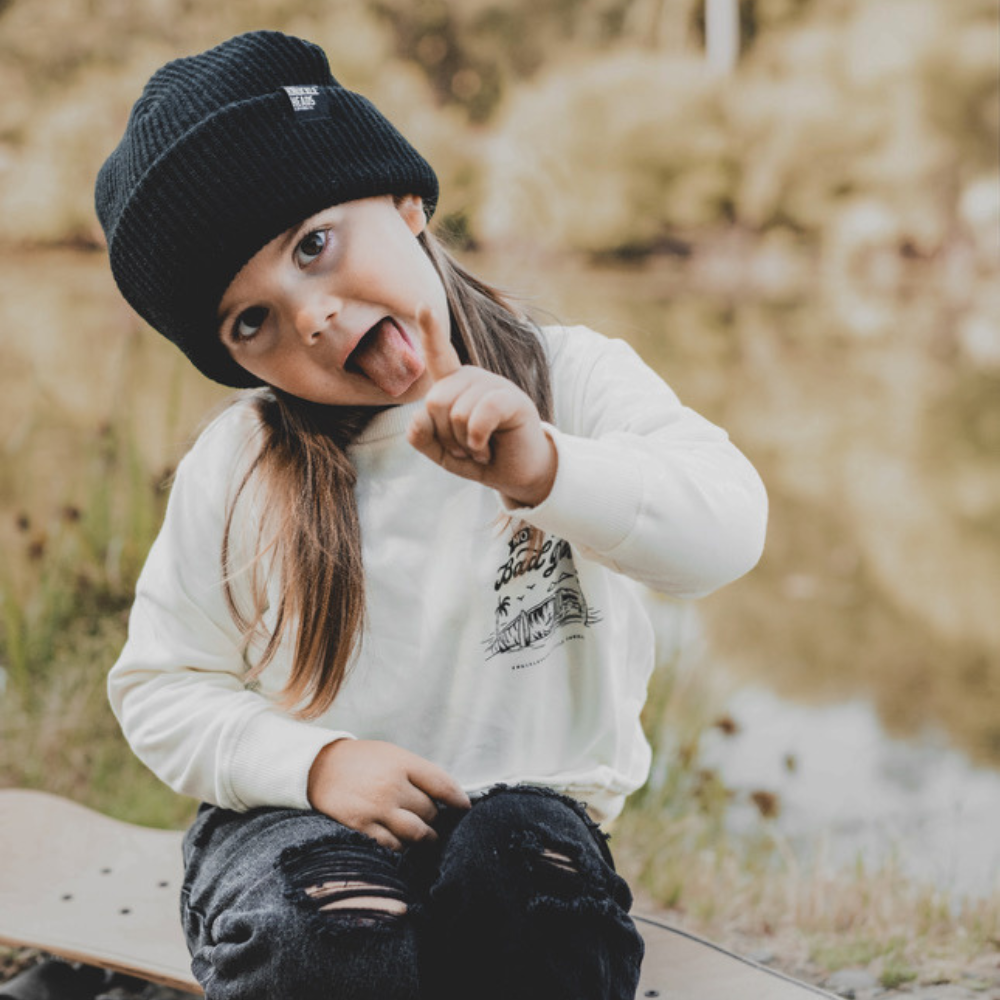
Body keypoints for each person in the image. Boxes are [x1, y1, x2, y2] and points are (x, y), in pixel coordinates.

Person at [96, 30, 767, 1000]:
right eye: (253, 320)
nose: (311, 316)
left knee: (536, 909)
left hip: (523, 819)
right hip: (289, 820)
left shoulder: (570, 380)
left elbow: (727, 531)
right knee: (322, 934)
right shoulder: (241, 463)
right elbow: (160, 686)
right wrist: (316, 760)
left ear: (406, 201)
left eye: (312, 246)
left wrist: (546, 469)